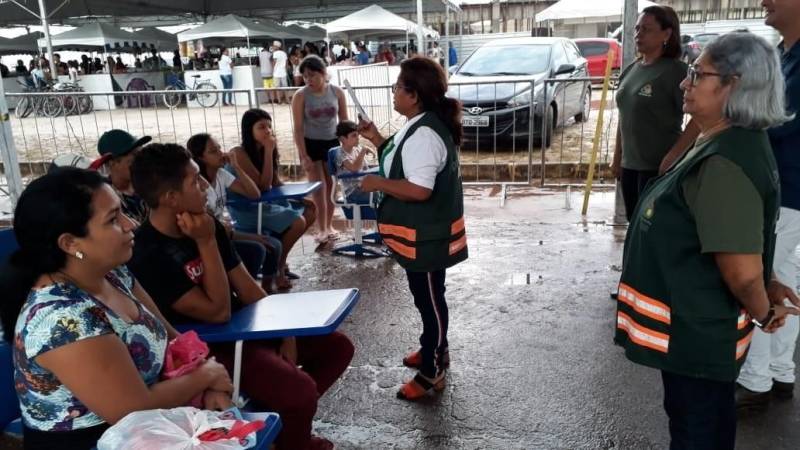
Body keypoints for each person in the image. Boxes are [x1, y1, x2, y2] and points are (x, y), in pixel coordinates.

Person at [614, 32, 798, 449]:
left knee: (695, 428)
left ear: (734, 85)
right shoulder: (724, 141)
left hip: (696, 334)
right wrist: (764, 284)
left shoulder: (724, 163)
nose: (686, 81)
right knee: (707, 420)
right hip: (698, 332)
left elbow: (740, 271)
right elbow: (740, 241)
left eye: (698, 74)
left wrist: (763, 308)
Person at [128, 143, 353, 450]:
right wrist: (205, 242)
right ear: (170, 198)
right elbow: (217, 313)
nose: (207, 187)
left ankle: (281, 425)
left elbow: (249, 290)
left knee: (337, 348)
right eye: (195, 181)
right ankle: (294, 439)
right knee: (299, 390)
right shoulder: (147, 252)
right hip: (208, 346)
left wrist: (285, 334)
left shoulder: (208, 225)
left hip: (247, 329)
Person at [0, 168, 234, 450]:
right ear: (70, 243)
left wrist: (208, 385)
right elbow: (132, 410)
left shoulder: (113, 275)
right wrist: (207, 375)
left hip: (152, 429)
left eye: (122, 211)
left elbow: (174, 341)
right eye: (113, 219)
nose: (131, 224)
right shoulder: (62, 321)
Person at [357, 56, 468, 400]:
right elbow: (401, 158)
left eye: (397, 87)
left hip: (428, 236)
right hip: (422, 235)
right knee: (428, 298)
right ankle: (435, 347)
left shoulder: (424, 134)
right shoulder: (420, 123)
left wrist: (378, 183)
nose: (393, 92)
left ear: (414, 95)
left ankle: (432, 371)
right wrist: (376, 138)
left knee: (430, 300)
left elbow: (420, 189)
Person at [735, 0, 800, 412]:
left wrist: (735, 118)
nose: (764, 1)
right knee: (785, 274)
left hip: (789, 190)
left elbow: (778, 118)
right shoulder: (782, 53)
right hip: (778, 189)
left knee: (758, 277)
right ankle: (779, 372)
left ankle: (755, 378)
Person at [610, 5, 700, 222]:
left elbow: (699, 118)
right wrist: (617, 157)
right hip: (630, 166)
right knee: (635, 226)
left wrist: (673, 156)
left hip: (658, 168)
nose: (639, 34)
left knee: (655, 228)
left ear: (667, 34)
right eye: (637, 29)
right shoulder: (631, 70)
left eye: (647, 29)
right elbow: (625, 115)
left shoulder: (675, 71)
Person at [227, 109, 316, 290]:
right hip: (247, 208)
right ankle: (278, 267)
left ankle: (278, 260)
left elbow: (275, 182)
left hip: (265, 203)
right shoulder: (239, 153)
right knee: (297, 222)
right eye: (261, 127)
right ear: (249, 130)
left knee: (310, 208)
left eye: (269, 126)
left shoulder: (264, 149)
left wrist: (298, 196)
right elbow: (263, 186)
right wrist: (268, 151)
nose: (267, 131)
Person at [187, 132, 284, 294]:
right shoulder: (199, 187)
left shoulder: (221, 174)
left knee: (274, 244)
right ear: (200, 158)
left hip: (225, 233)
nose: (220, 153)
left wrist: (237, 167)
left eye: (219, 148)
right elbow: (219, 229)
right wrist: (252, 237)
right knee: (258, 248)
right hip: (215, 236)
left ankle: (267, 288)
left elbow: (254, 194)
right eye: (213, 151)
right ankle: (243, 292)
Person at [292, 55, 348, 242]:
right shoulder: (300, 96)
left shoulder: (337, 92)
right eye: (305, 76)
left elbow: (344, 123)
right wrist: (303, 155)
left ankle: (329, 225)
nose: (309, 80)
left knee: (331, 187)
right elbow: (298, 128)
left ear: (324, 73)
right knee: (317, 188)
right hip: (311, 143)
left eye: (313, 75)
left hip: (332, 143)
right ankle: (321, 227)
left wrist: (346, 147)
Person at [88, 129, 152, 227]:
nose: (142, 162)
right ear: (111, 162)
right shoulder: (104, 198)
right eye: (134, 157)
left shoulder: (148, 185)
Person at [332, 120, 375, 205]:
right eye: (354, 135)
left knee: (386, 192)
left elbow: (364, 169)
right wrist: (363, 151)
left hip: (363, 187)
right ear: (343, 139)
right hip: (352, 192)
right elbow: (354, 168)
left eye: (357, 135)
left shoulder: (356, 149)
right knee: (382, 196)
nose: (357, 137)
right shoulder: (340, 154)